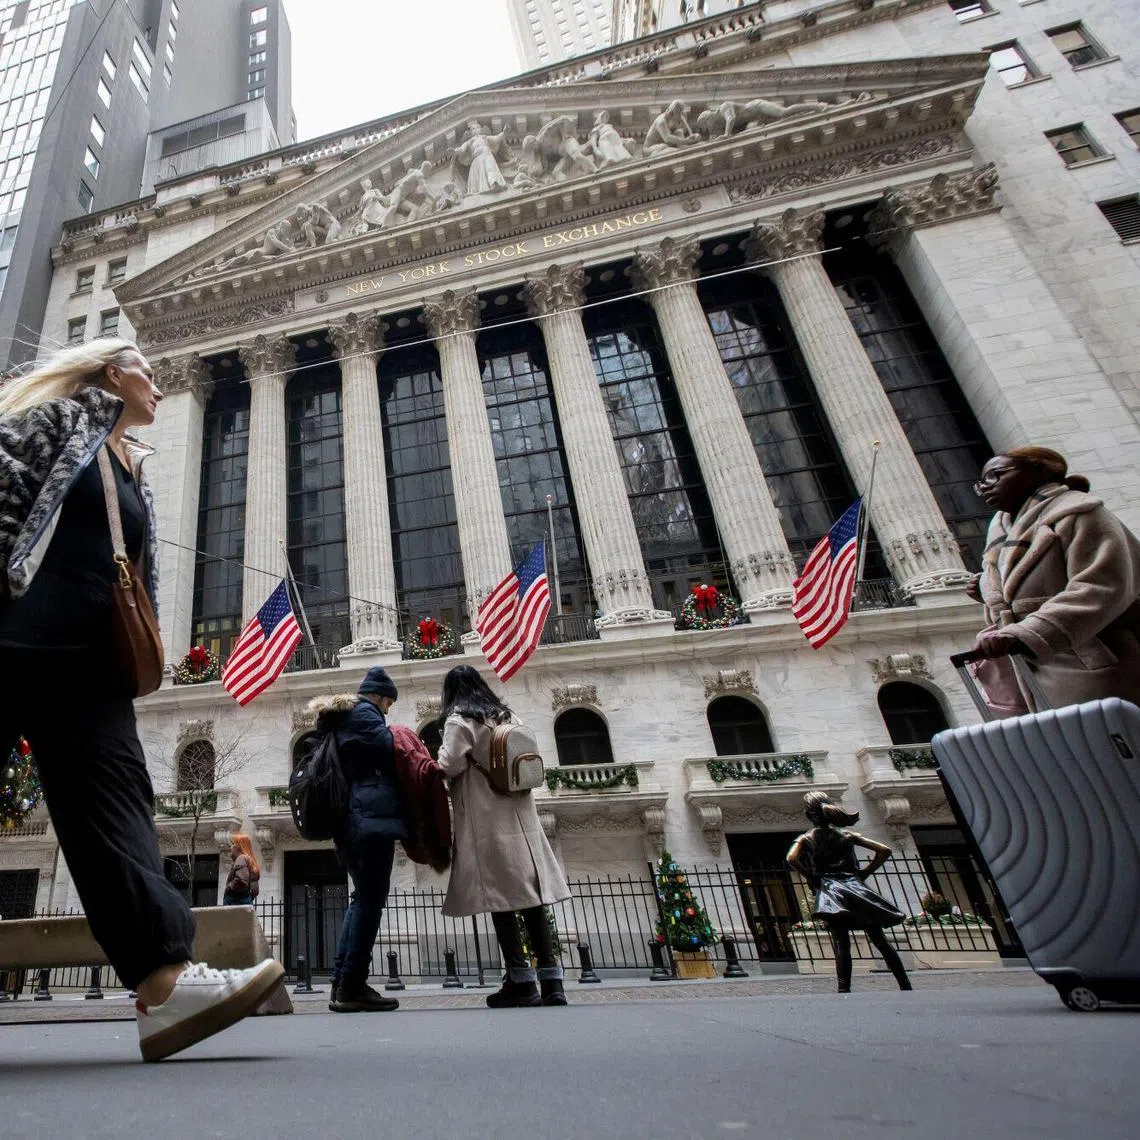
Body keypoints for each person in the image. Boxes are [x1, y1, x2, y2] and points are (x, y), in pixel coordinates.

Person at [0, 339, 284, 1062]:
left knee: (117, 812)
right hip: (14, 640)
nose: (157, 385)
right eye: (145, 371)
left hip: (91, 668)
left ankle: (165, 982)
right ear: (108, 374)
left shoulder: (131, 463)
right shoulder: (59, 422)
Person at [436, 664, 571, 1008]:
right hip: (522, 818)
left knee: (501, 899)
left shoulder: (459, 720)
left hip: (487, 820)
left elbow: (449, 765)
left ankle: (521, 980)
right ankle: (552, 981)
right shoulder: (509, 715)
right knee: (532, 899)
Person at [971, 445, 1140, 708]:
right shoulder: (1002, 530)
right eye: (980, 483)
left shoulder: (1081, 512)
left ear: (1038, 470)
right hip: (1033, 667)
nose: (986, 487)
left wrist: (1029, 631)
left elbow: (1101, 585)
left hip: (1089, 662)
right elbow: (1032, 580)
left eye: (996, 475)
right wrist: (988, 589)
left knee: (1110, 740)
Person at [308, 666, 407, 1013]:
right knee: (370, 900)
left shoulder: (343, 718)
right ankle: (352, 983)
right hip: (368, 819)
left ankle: (342, 981)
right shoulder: (365, 714)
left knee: (361, 898)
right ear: (379, 696)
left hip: (351, 820)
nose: (387, 710)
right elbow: (391, 750)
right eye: (388, 703)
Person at [786, 792, 912, 994]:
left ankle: (844, 987)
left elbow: (791, 859)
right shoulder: (846, 835)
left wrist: (810, 876)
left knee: (841, 943)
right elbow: (885, 850)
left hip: (832, 891)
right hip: (855, 888)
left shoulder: (807, 837)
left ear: (808, 814)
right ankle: (904, 983)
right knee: (880, 940)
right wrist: (865, 872)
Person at [223, 834, 260, 906]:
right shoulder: (250, 860)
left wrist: (229, 888)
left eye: (233, 844)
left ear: (239, 846)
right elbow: (255, 891)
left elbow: (241, 880)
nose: (231, 847)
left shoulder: (241, 858)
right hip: (245, 900)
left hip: (234, 901)